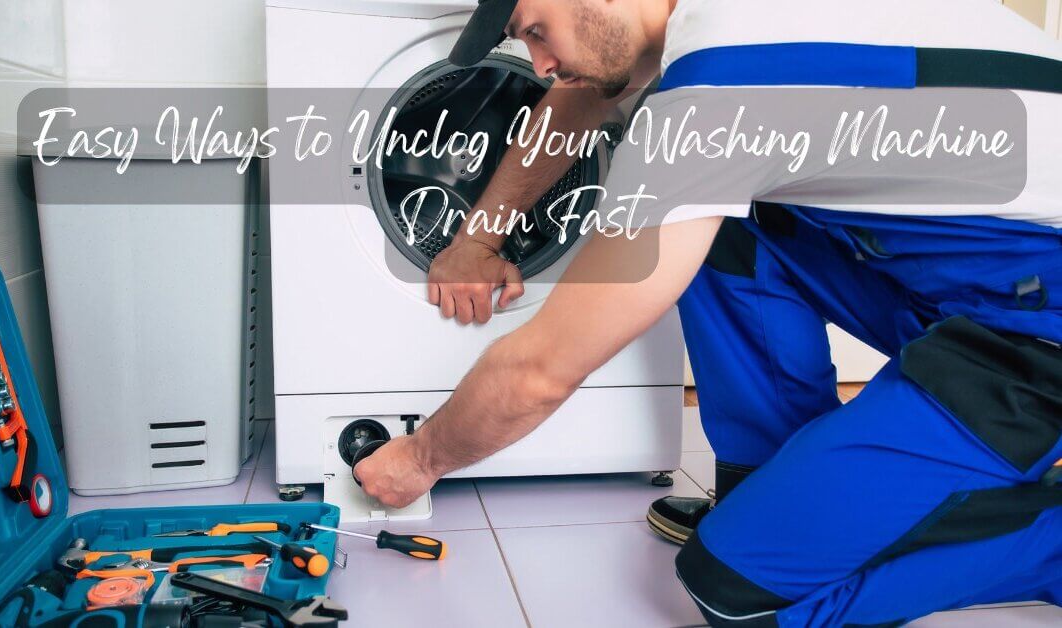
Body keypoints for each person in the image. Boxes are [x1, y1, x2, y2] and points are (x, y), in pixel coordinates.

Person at [353, 0, 1062, 624]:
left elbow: (542, 369)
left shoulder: (719, 87)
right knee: (721, 224)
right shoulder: (720, 23)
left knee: (735, 588)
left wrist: (420, 459)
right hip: (980, 278)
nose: (537, 65)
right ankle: (771, 485)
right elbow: (587, 90)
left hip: (1036, 337)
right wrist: (478, 237)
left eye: (535, 32)